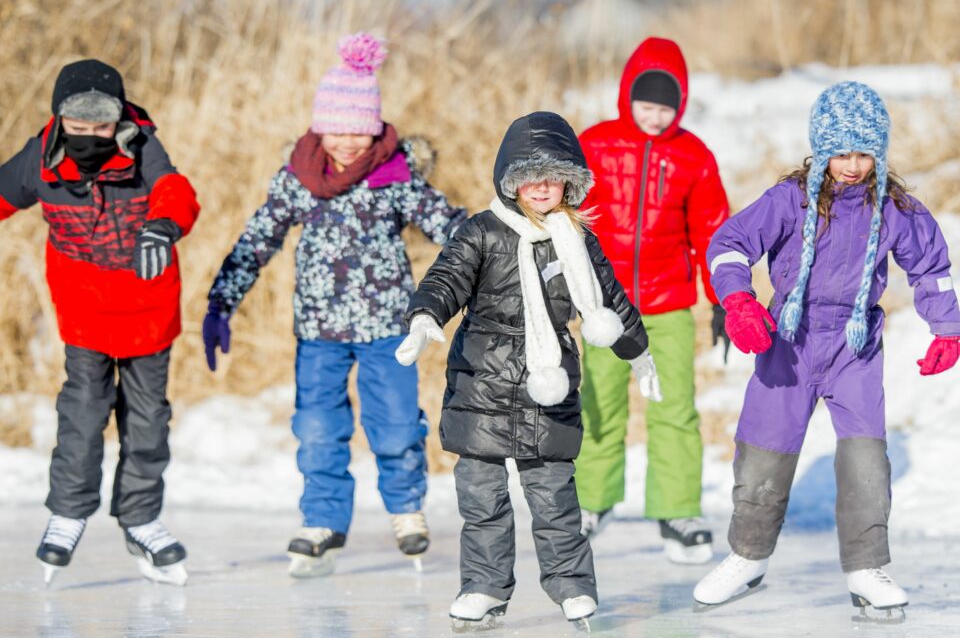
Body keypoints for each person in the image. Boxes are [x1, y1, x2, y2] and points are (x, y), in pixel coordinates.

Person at [204, 33, 467, 577]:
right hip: (319, 331)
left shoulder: (394, 177)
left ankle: (406, 509)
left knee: (395, 423)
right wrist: (221, 301)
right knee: (318, 427)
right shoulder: (300, 179)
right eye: (337, 129)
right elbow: (258, 239)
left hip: (387, 327)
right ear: (320, 127)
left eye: (359, 130)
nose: (348, 142)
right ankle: (322, 519)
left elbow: (449, 225)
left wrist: (494, 242)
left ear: (374, 128)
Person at [695, 81, 960, 612]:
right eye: (842, 152)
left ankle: (867, 568)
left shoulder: (896, 209)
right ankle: (748, 556)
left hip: (854, 347)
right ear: (821, 148)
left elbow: (930, 268)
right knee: (763, 454)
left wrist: (947, 328)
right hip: (788, 340)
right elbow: (728, 245)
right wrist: (740, 302)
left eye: (864, 152)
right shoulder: (789, 200)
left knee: (866, 458)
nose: (853, 165)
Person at [395, 111, 660, 630]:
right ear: (510, 180)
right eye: (529, 176)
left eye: (553, 176)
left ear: (570, 181)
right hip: (482, 385)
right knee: (482, 501)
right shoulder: (482, 232)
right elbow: (447, 276)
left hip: (550, 384)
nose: (542, 187)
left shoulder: (578, 239)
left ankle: (573, 589)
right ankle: (484, 589)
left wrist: (638, 351)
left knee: (556, 500)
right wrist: (426, 313)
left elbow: (608, 299)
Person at [0, 59, 201, 585]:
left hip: (147, 312)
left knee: (147, 418)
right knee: (83, 412)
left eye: (101, 126)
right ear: (59, 118)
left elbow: (174, 189)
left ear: (119, 120)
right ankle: (68, 512)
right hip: (85, 310)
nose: (90, 136)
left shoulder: (142, 145)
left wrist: (163, 226)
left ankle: (141, 518)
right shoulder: (38, 159)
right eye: (78, 126)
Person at [574, 37, 730, 564]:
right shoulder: (594, 145)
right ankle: (590, 502)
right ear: (626, 95)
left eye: (667, 106)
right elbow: (565, 219)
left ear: (681, 103)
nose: (656, 116)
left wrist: (724, 299)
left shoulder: (693, 155)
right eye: (646, 103)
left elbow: (712, 232)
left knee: (675, 409)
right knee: (599, 405)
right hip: (604, 307)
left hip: (668, 306)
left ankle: (678, 508)